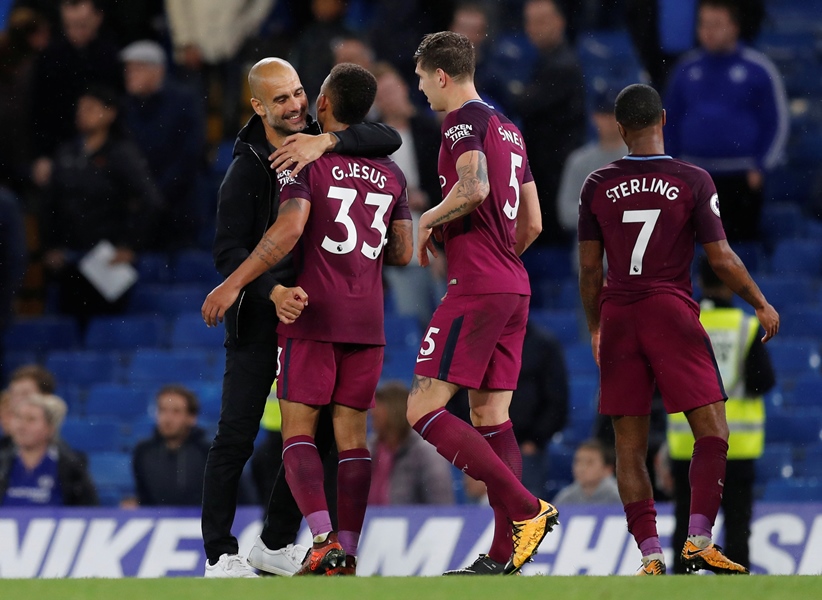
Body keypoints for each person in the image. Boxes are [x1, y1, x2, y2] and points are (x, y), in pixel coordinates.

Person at [203, 62, 413, 576]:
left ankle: (276, 543)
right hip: (261, 317)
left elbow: (385, 133)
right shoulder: (248, 168)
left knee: (314, 439)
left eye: (299, 92)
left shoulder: (319, 145)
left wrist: (329, 144)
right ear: (258, 107)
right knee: (237, 435)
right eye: (281, 100)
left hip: (313, 316)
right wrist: (271, 289)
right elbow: (230, 251)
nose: (295, 105)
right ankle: (219, 553)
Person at [577, 83, 780, 576]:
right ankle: (698, 538)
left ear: (620, 129)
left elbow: (588, 270)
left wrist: (596, 327)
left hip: (620, 313)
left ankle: (650, 554)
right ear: (664, 119)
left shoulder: (596, 183)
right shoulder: (692, 179)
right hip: (669, 308)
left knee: (628, 446)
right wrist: (760, 302)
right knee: (712, 430)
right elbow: (721, 257)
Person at [407, 31, 555, 577]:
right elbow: (533, 222)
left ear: (441, 75)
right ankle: (503, 553)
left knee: (421, 409)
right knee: (491, 414)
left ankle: (526, 509)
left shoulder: (461, 121)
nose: (421, 88)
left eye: (422, 78)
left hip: (479, 286)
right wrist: (498, 261)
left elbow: (473, 189)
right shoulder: (510, 129)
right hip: (514, 284)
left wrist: (427, 220)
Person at [667, 257, 775, 573]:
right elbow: (763, 382)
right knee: (738, 523)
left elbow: (664, 381)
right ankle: (736, 584)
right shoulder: (747, 326)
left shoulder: (684, 324)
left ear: (699, 283)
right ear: (730, 285)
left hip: (687, 444)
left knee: (686, 523)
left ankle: (680, 587)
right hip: (737, 446)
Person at [663, 0, 789, 243]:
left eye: (717, 24)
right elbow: (669, 121)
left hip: (741, 177)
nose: (708, 31)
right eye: (703, 24)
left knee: (739, 256)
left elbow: (776, 122)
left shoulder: (758, 69)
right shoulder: (685, 69)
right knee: (695, 255)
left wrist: (761, 165)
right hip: (694, 178)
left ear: (734, 27)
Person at [38, 84, 162, 328]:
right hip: (69, 259)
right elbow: (49, 204)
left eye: (91, 108)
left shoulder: (122, 153)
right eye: (80, 108)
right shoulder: (65, 153)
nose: (82, 113)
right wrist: (50, 246)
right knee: (67, 329)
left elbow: (152, 201)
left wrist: (130, 245)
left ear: (110, 113)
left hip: (107, 258)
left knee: (108, 327)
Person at [371, 61, 446, 326]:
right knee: (413, 321)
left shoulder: (430, 130)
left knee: (445, 320)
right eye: (382, 95)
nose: (390, 99)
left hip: (437, 238)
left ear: (404, 88)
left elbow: (449, 183)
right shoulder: (372, 140)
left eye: (392, 90)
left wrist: (425, 197)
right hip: (397, 247)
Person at [510, 0, 586, 247]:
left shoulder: (562, 65)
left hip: (554, 175)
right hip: (545, 171)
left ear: (560, 22)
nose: (533, 28)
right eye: (529, 22)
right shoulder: (545, 61)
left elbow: (522, 103)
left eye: (541, 21)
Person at [120, 39, 206, 250]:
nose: (129, 74)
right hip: (139, 207)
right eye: (127, 69)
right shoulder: (124, 107)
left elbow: (190, 154)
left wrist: (157, 193)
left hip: (178, 204)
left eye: (137, 68)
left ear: (157, 70)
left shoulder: (184, 101)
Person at [0, 393, 98, 506]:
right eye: (18, 418)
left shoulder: (71, 467)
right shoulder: (3, 463)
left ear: (50, 428)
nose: (21, 426)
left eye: (31, 420)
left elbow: (88, 509)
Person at [368, 381, 455, 506]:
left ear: (394, 410)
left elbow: (442, 506)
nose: (372, 412)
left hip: (414, 523)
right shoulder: (371, 448)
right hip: (371, 523)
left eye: (379, 406)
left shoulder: (426, 453)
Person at [557, 86, 627, 238]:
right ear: (594, 116)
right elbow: (565, 212)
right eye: (605, 114)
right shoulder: (579, 161)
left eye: (614, 115)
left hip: (634, 255)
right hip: (590, 255)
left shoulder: (641, 159)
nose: (610, 121)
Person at [131, 385, 212, 506]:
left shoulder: (208, 452)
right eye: (162, 410)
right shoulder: (143, 451)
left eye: (176, 411)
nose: (167, 419)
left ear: (192, 417)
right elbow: (144, 497)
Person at [552, 439, 621, 505]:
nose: (581, 468)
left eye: (589, 463)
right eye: (578, 461)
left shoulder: (620, 497)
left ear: (607, 469)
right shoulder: (566, 497)